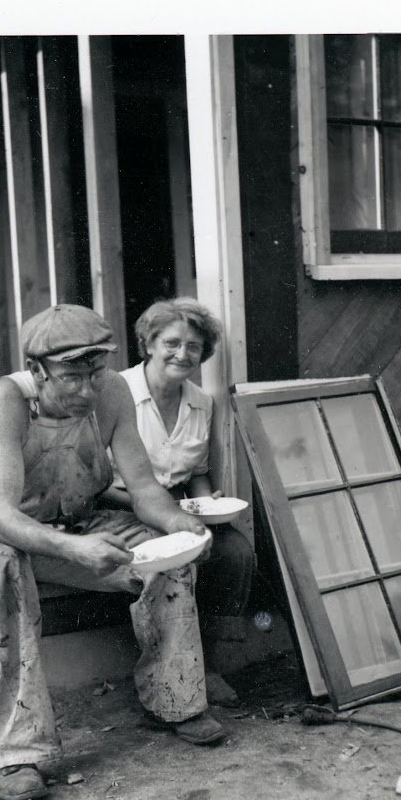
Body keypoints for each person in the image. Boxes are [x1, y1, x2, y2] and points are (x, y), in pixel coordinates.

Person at [0, 303, 226, 800]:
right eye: (72, 377)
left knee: (170, 556)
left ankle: (176, 701)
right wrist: (74, 549)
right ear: (37, 371)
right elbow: (3, 516)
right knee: (1, 572)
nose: (87, 391)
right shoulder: (5, 400)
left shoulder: (111, 391)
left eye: (95, 373)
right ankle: (17, 754)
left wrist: (179, 523)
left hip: (79, 518)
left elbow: (143, 488)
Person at [100, 298, 256, 706]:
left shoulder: (201, 402)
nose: (183, 354)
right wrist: (165, 511)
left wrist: (206, 505)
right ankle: (169, 675)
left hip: (176, 508)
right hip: (116, 507)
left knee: (234, 551)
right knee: (177, 558)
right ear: (148, 343)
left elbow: (198, 472)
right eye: (171, 342)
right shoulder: (116, 394)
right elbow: (95, 483)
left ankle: (209, 665)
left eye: (194, 347)